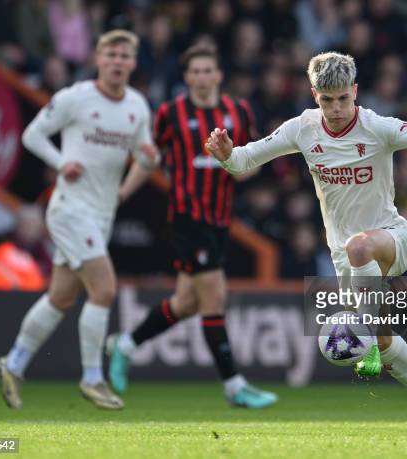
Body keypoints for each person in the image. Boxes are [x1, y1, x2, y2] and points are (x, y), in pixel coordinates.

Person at [205, 52, 407, 433]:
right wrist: (226, 155)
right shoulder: (302, 129)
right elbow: (244, 160)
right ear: (314, 95)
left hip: (390, 237)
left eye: (343, 98)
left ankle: (369, 338)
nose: (337, 108)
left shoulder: (377, 126)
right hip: (348, 261)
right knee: (389, 346)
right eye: (327, 100)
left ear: (355, 91)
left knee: (361, 251)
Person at [0, 30, 160, 410]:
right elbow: (32, 135)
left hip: (102, 213)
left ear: (133, 63)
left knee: (62, 297)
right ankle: (92, 378)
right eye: (111, 55)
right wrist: (60, 163)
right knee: (104, 289)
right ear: (99, 59)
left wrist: (135, 177)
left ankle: (13, 364)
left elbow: (145, 159)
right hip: (69, 209)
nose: (117, 62)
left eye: (124, 56)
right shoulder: (75, 98)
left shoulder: (137, 106)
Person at [106, 44, 277, 409]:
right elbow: (149, 157)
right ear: (186, 77)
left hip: (219, 219)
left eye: (206, 70)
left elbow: (255, 159)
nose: (201, 77)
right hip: (187, 217)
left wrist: (237, 165)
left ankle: (125, 344)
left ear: (218, 75)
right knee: (214, 298)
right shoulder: (170, 113)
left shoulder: (238, 111)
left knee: (185, 303)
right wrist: (121, 192)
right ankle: (234, 386)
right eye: (194, 71)